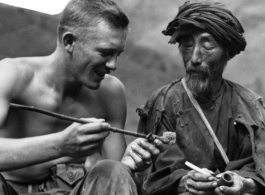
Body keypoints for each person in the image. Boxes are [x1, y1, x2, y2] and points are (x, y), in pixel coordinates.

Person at [0, 0, 163, 194]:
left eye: (118, 54)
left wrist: (126, 165)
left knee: (114, 170)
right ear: (69, 42)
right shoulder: (11, 75)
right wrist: (61, 145)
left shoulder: (111, 93)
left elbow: (112, 177)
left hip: (71, 189)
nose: (113, 65)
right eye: (105, 52)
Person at [137, 1, 265, 195]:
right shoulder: (164, 103)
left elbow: (259, 170)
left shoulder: (251, 107)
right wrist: (184, 182)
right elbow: (152, 177)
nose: (195, 57)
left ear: (228, 52)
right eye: (187, 45)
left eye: (207, 45)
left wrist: (245, 183)